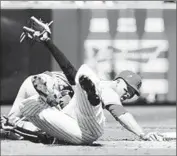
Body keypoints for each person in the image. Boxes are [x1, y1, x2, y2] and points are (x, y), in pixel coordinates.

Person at [1, 16, 164, 144]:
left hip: (35, 82)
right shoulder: (108, 89)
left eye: (132, 94)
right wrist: (142, 134)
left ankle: (24, 116)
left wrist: (47, 42)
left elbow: (70, 71)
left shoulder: (91, 82)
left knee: (9, 126)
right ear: (119, 81)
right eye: (128, 89)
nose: (129, 95)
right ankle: (51, 97)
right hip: (54, 86)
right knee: (55, 129)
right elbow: (120, 113)